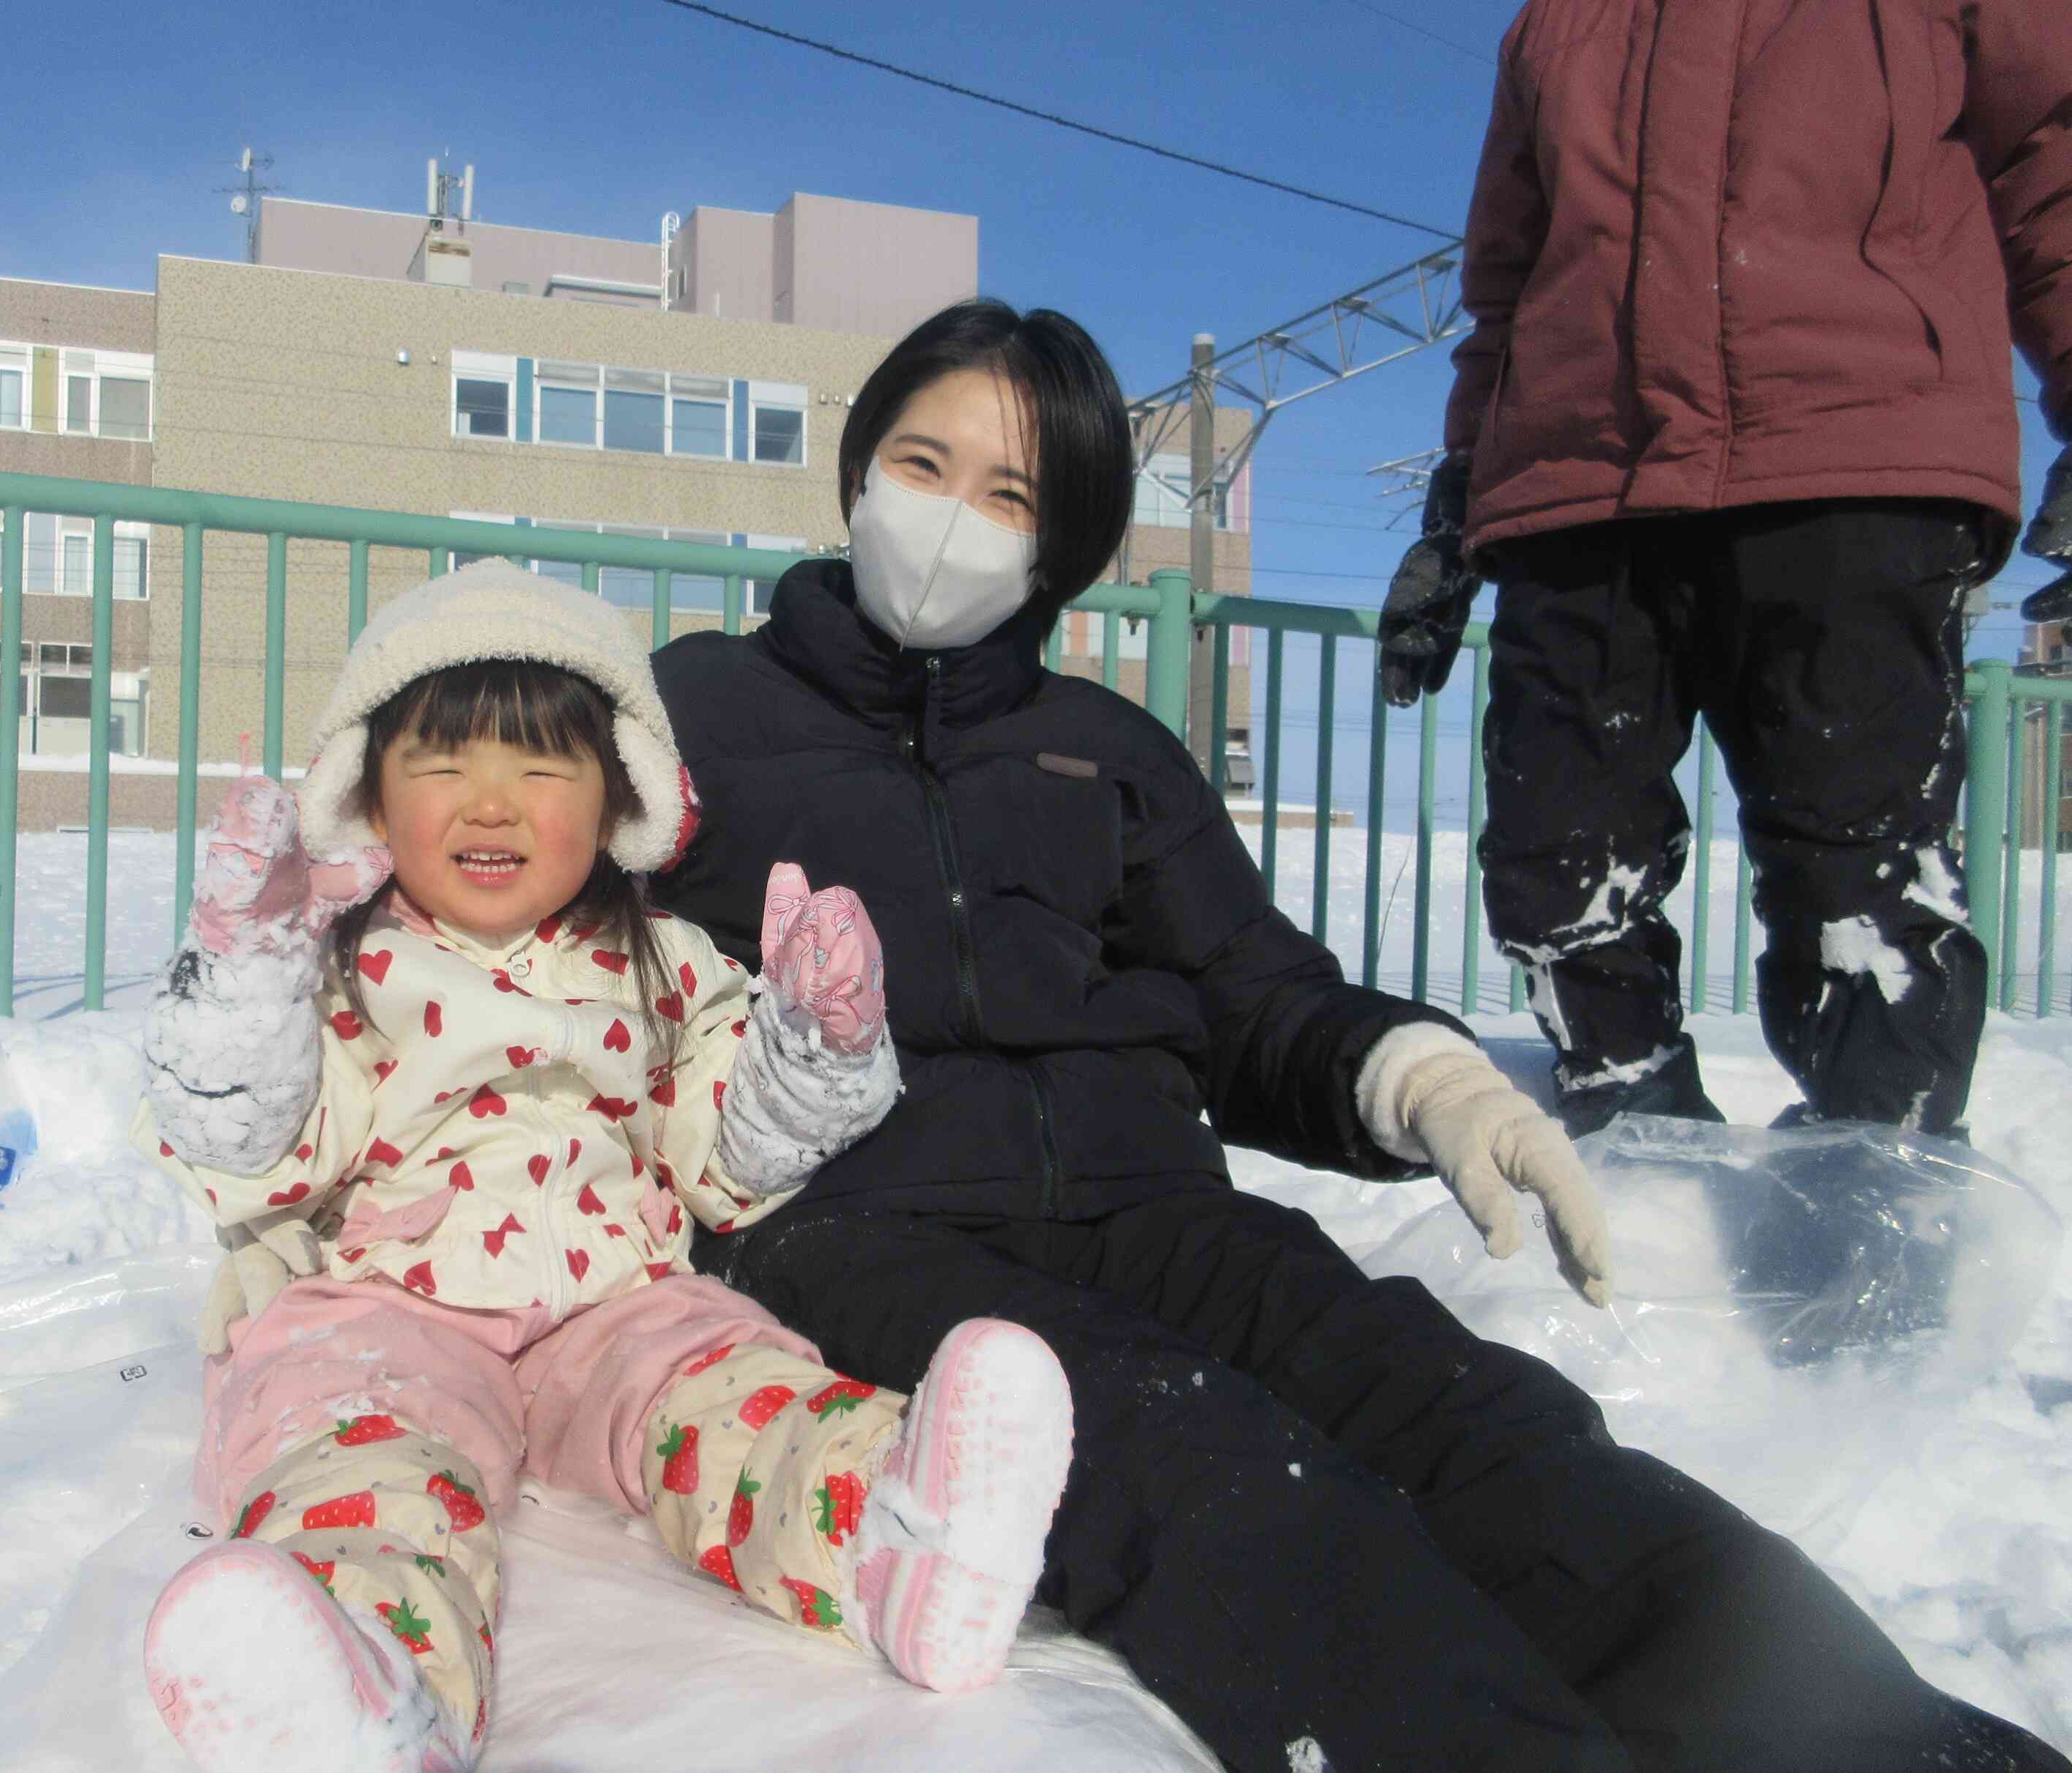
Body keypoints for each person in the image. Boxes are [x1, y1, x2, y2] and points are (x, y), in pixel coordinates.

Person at [648, 297, 2067, 1772]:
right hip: (864, 1231)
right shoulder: (691, 711)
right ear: (861, 469)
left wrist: (1425, 1078)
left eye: (1009, 494)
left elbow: (1251, 993)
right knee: (1220, 1478)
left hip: (1156, 1210)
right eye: (922, 464)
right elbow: (531, 929)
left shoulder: (1109, 749)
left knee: (1481, 1427)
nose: (950, 519)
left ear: (1059, 545)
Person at [127, 563, 1078, 1773]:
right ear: (367, 792)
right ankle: (367, 1683)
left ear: (618, 794)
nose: (490, 805)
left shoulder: (663, 962)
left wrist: (812, 1045)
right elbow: (260, 1148)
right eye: (440, 765)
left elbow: (726, 1160)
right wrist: (246, 981)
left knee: (728, 1397)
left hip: (615, 1307)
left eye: (540, 769)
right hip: (391, 1308)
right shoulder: (342, 968)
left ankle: (891, 1531)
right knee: (364, 1456)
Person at [1375, 0, 2072, 1139]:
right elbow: (1507, 282)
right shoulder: (1555, 22)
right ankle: (1630, 1152)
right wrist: (1460, 494)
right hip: (1580, 482)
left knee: (1858, 884)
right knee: (1557, 865)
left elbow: (2053, 165)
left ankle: (1874, 1188)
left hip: (1854, 453)